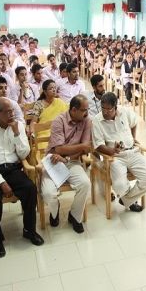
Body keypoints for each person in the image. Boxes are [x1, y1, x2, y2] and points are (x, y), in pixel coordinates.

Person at [0, 97, 44, 258]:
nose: (11, 114)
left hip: (13, 168)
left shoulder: (18, 126)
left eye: (13, 111)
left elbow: (23, 154)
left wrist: (16, 133)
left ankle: (29, 230)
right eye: (7, 112)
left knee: (30, 189)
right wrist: (1, 182)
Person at [92, 92, 146, 211]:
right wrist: (112, 150)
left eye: (108, 109)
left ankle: (126, 199)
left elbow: (134, 122)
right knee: (119, 186)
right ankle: (130, 200)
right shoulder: (97, 120)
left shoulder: (124, 111)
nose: (105, 112)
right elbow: (98, 145)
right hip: (116, 157)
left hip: (133, 152)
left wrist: (132, 137)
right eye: (103, 108)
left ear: (115, 107)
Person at [40, 95, 91, 233]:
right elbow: (59, 149)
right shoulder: (59, 121)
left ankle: (74, 216)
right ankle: (54, 211)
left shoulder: (86, 121)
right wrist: (81, 147)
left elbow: (87, 147)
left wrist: (68, 157)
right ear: (73, 110)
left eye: (87, 109)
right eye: (83, 110)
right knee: (49, 193)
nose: (86, 113)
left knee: (85, 184)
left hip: (72, 161)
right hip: (53, 161)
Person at [30, 79, 69, 150]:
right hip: (43, 132)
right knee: (44, 147)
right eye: (51, 88)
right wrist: (32, 132)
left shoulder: (60, 102)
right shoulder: (39, 104)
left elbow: (67, 117)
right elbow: (34, 121)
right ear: (45, 91)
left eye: (55, 88)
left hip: (59, 132)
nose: (54, 90)